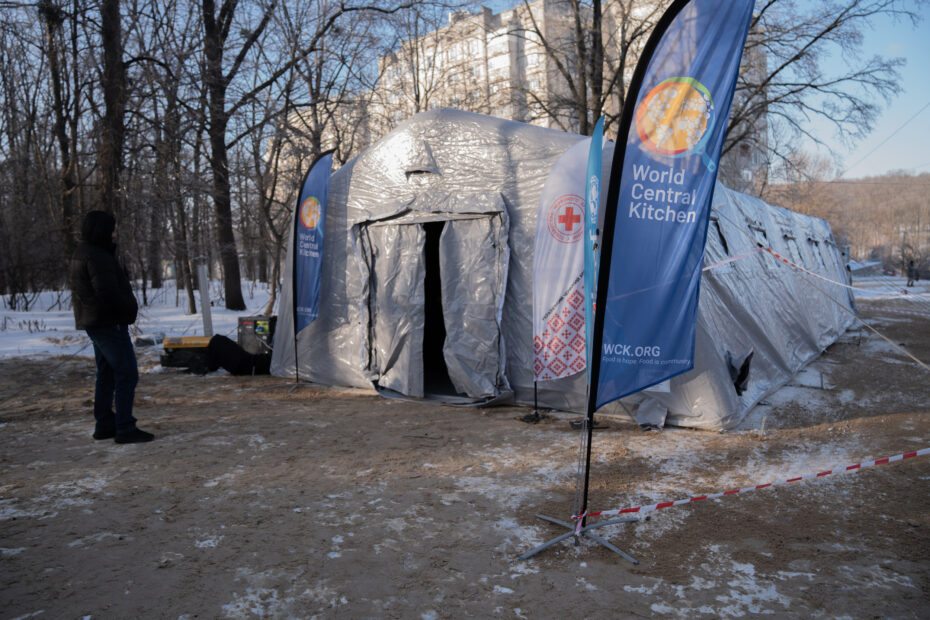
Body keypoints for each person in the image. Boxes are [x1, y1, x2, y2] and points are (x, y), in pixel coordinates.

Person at [70, 210, 154, 444]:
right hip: (108, 323)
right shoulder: (97, 256)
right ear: (102, 231)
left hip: (96, 322)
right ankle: (125, 427)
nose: (115, 235)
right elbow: (107, 293)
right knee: (127, 373)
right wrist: (129, 310)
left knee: (106, 373)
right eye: (112, 230)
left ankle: (105, 423)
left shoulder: (83, 252)